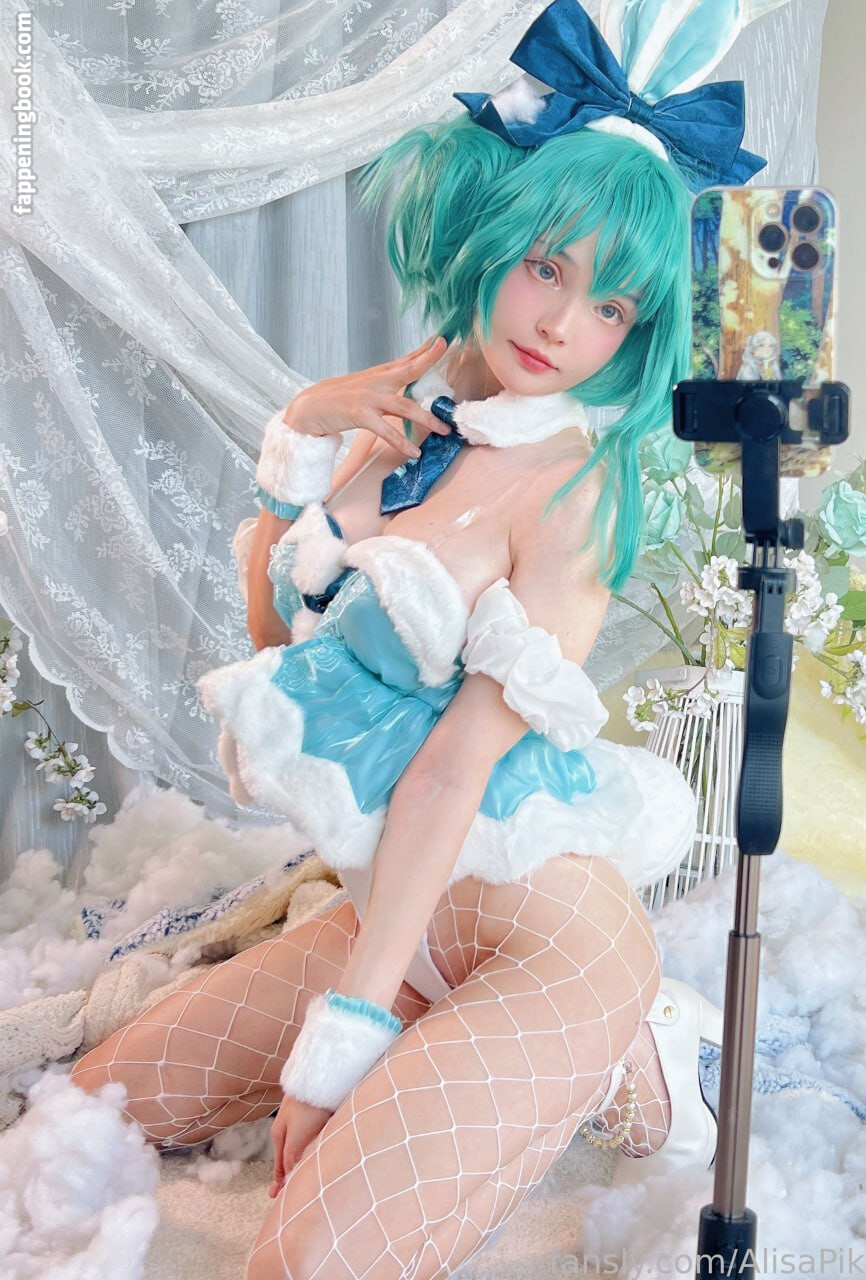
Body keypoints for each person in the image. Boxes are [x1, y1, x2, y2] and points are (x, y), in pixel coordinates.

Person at [70, 0, 766, 1273]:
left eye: (611, 305)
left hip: (542, 938)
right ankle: (570, 1051)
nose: (560, 325)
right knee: (98, 1099)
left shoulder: (575, 490)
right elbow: (278, 643)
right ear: (497, 237)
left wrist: (341, 1038)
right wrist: (301, 434)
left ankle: (630, 1055)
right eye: (548, 266)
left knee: (309, 1255)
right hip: (401, 909)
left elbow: (449, 773)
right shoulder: (432, 402)